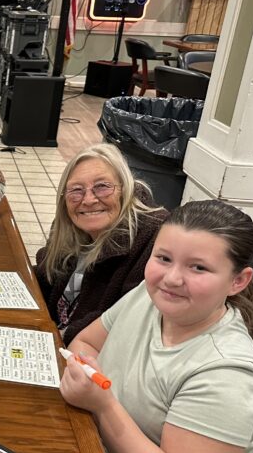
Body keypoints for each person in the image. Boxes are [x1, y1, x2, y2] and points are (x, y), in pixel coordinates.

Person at [61, 200, 253, 453]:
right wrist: (90, 374)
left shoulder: (227, 374)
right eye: (163, 258)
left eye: (198, 267)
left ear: (238, 281)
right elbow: (85, 343)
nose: (172, 278)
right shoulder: (151, 297)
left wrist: (103, 405)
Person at [36, 143, 167, 345]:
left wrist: (57, 337)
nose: (88, 200)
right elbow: (47, 277)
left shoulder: (153, 238)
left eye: (102, 187)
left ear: (125, 188)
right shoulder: (70, 227)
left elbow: (126, 320)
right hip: (57, 336)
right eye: (76, 190)